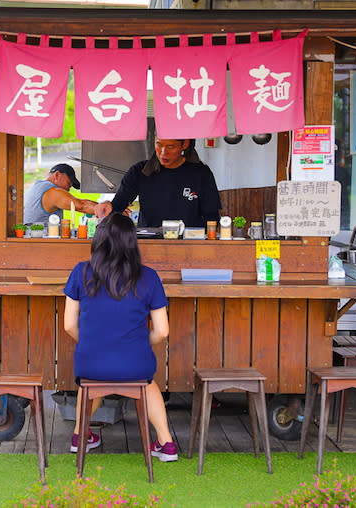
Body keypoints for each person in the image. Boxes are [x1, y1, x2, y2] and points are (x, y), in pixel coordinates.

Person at [63, 213, 177, 461]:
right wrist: (137, 344)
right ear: (132, 242)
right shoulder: (149, 276)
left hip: (91, 361)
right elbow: (163, 331)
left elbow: (69, 326)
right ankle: (166, 444)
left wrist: (94, 342)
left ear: (98, 241)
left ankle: (79, 437)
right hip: (135, 363)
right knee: (147, 384)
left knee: (90, 383)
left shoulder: (80, 272)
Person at [93, 138, 221, 228]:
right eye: (159, 144)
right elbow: (118, 206)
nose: (163, 152)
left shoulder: (201, 173)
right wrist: (107, 206)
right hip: (149, 244)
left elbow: (212, 216)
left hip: (189, 245)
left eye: (171, 147)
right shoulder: (140, 171)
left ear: (185, 144)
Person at [23, 163, 98, 224]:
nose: (68, 190)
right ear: (57, 175)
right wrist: (107, 210)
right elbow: (82, 206)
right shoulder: (52, 192)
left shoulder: (37, 187)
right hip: (39, 241)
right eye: (68, 184)